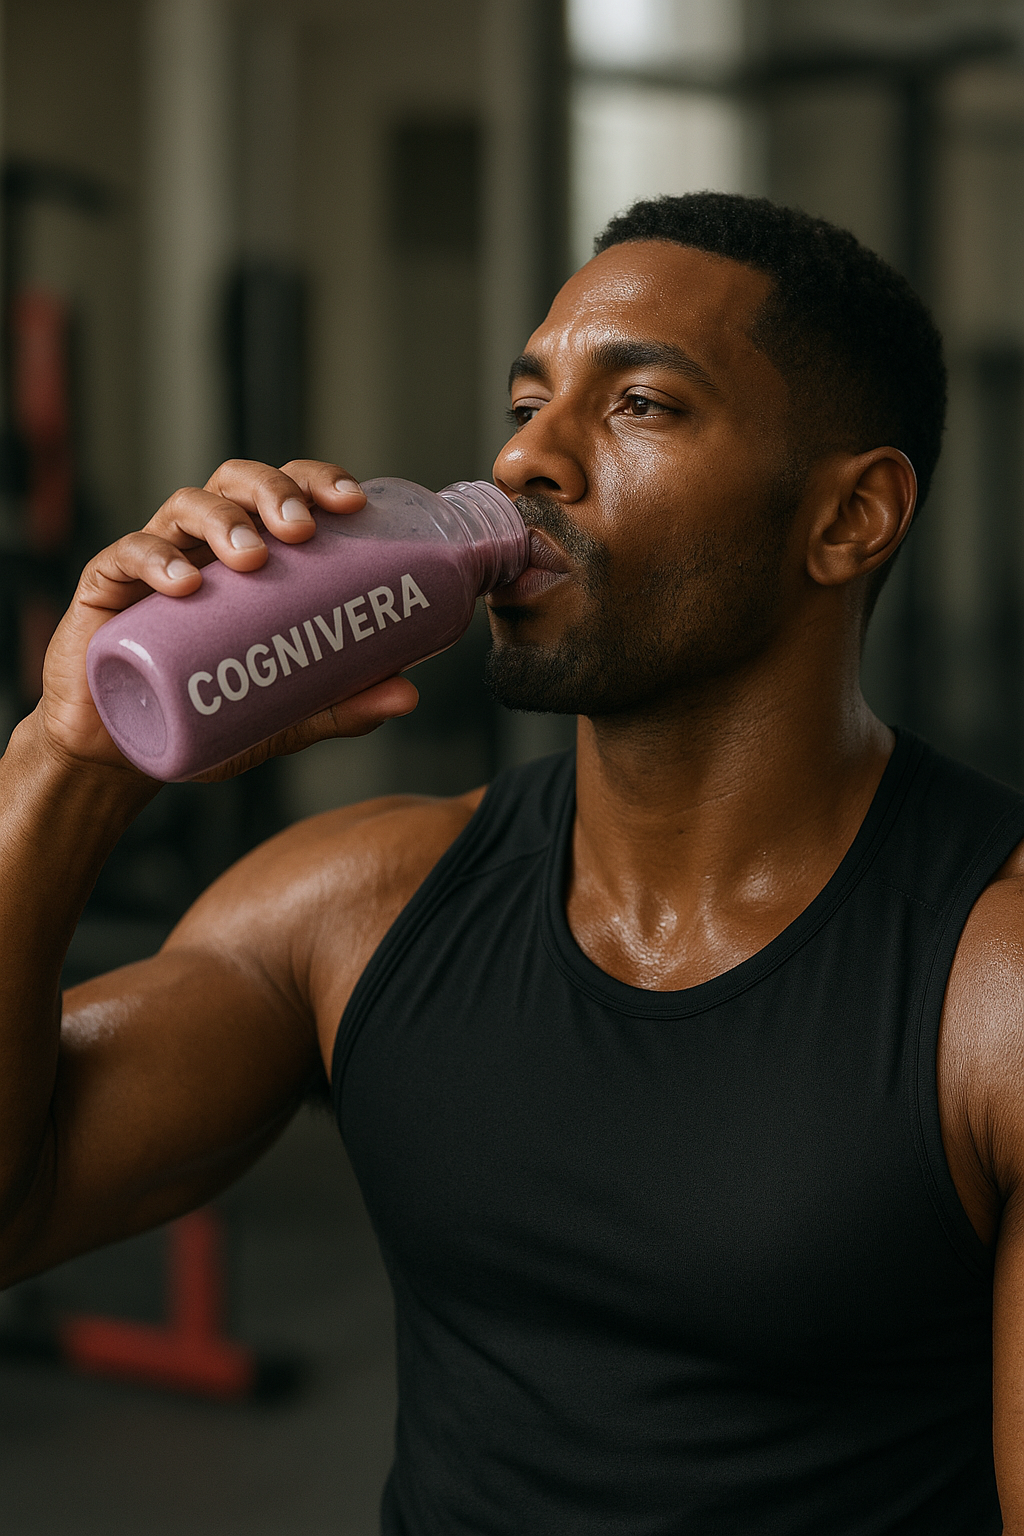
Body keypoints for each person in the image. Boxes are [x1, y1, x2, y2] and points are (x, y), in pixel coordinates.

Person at [0, 191, 1019, 1535]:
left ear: (849, 521)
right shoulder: (358, 905)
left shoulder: (989, 988)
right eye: (526, 397)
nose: (530, 453)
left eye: (642, 403)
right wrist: (69, 761)